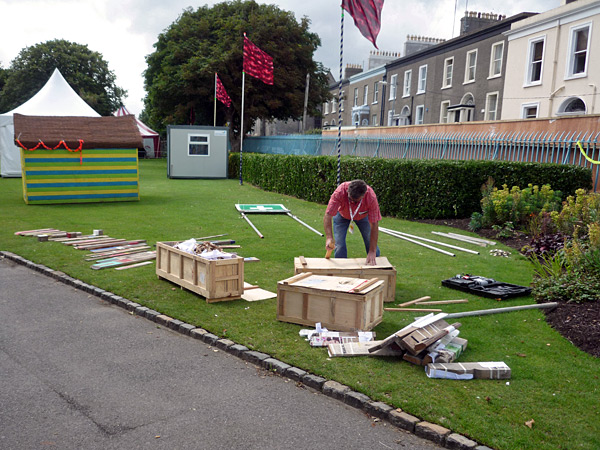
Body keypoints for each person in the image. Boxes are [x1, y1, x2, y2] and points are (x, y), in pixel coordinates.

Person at [323, 179, 381, 265]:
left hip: (363, 216)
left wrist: (372, 251)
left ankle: (375, 262)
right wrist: (329, 238)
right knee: (339, 244)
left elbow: (374, 223)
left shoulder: (371, 197)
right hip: (342, 215)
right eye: (350, 199)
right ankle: (341, 269)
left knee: (369, 239)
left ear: (363, 195)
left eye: (356, 200)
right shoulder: (340, 192)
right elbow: (328, 215)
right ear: (348, 191)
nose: (353, 202)